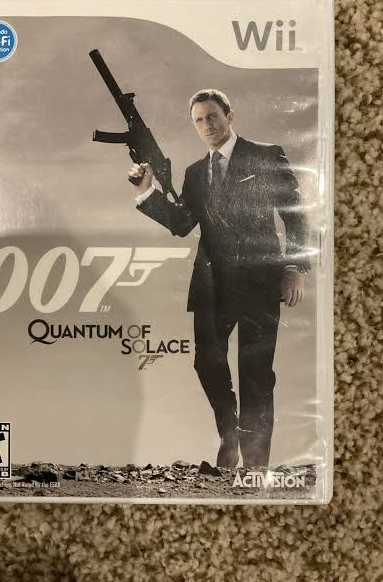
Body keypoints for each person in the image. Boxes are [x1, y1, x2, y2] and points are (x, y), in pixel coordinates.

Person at [128, 89, 310, 468]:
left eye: (212, 116)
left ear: (229, 115)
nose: (207, 125)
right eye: (199, 120)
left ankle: (255, 465)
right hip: (212, 287)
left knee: (256, 374)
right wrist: (146, 192)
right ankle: (229, 436)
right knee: (207, 363)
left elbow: (294, 214)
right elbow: (182, 223)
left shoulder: (265, 155)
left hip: (260, 283)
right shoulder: (195, 173)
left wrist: (295, 268)